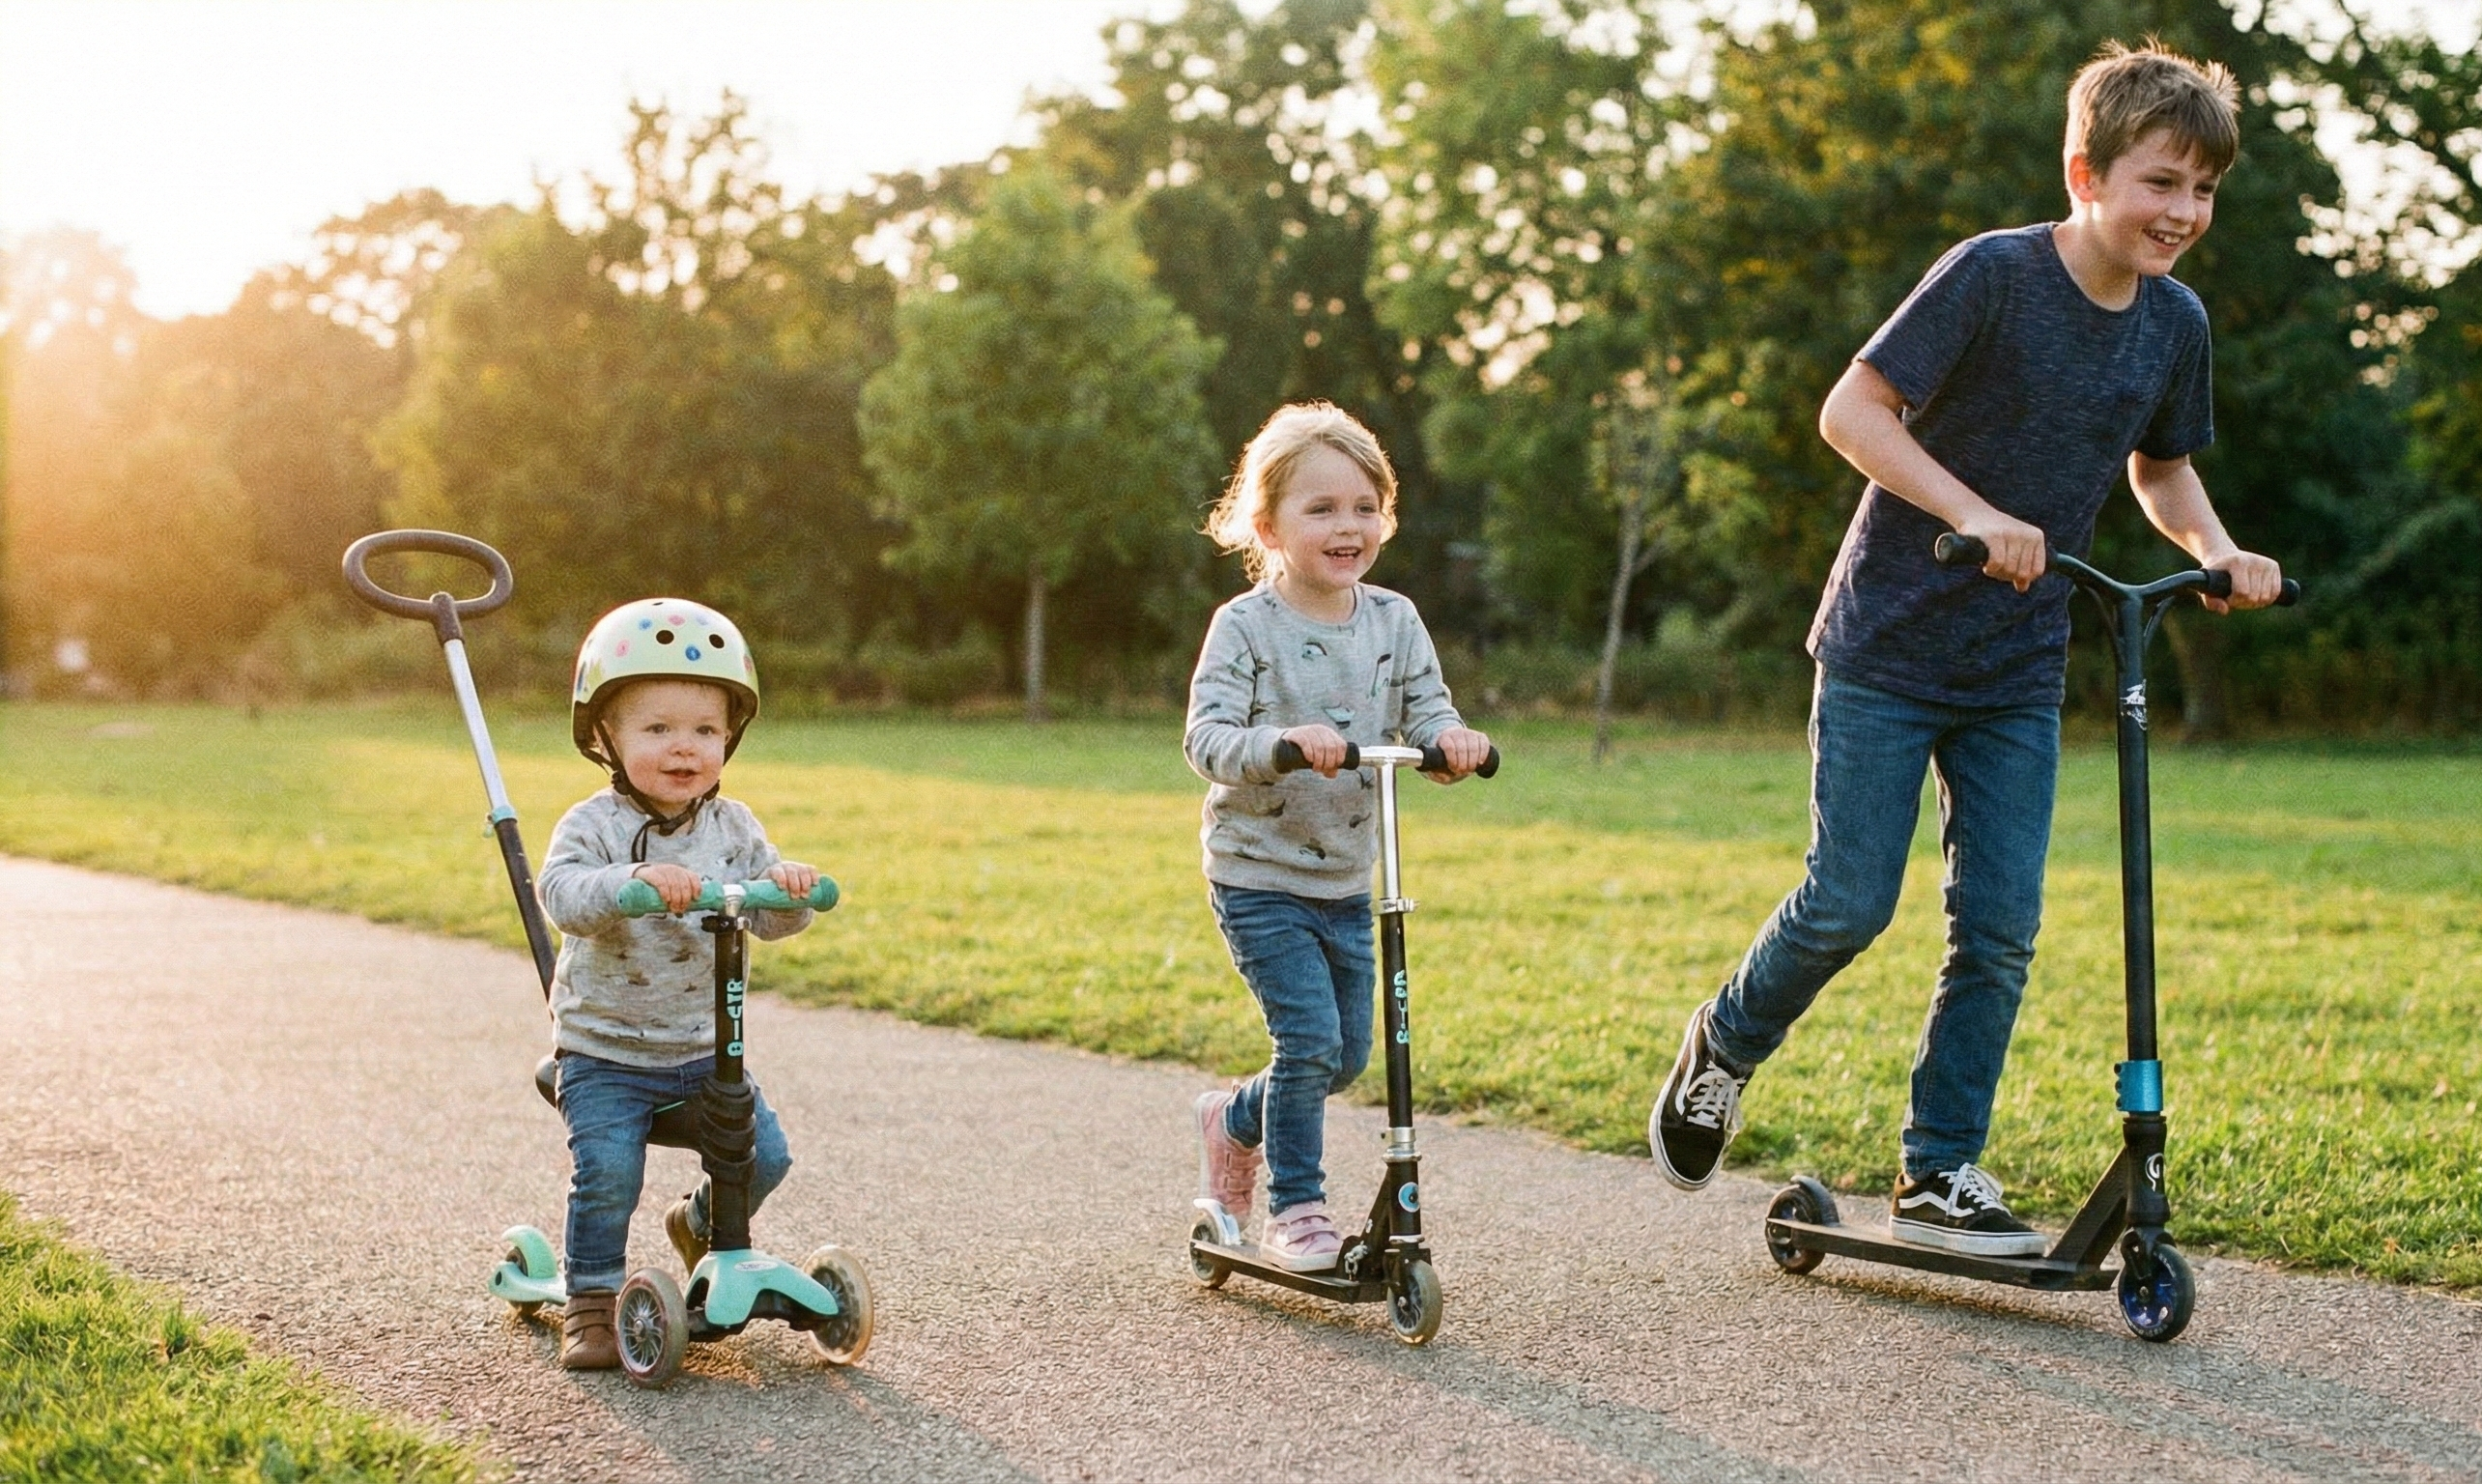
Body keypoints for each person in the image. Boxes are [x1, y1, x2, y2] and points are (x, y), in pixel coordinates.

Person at [1648, 41, 2285, 1254]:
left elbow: (2162, 468)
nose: (2183, 213)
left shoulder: (2173, 322)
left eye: (2203, 190)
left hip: (2015, 662)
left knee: (1997, 925)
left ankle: (1940, 1168)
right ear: (2083, 172)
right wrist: (1973, 512)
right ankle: (1724, 1043)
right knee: (1847, 904)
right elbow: (1853, 411)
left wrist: (2215, 548)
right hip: (1889, 641)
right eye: (2160, 183)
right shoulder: (1992, 276)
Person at [1183, 402, 1493, 1271]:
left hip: (1350, 880)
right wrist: (1281, 746)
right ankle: (1298, 1207)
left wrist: (1451, 743)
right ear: (1268, 525)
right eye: (1320, 509)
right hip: (1259, 876)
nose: (1346, 525)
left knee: (1348, 1056)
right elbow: (1205, 740)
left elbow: (1427, 711)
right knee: (1309, 1042)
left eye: (1364, 506)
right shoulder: (1245, 627)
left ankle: (1231, 1118)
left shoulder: (1394, 620)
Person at [536, 598, 821, 1369]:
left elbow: (766, 916)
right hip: (605, 1055)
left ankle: (699, 1224)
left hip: (703, 1052)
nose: (683, 749)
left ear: (730, 737)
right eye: (656, 730)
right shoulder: (590, 825)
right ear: (605, 737)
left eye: (704, 731)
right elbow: (561, 893)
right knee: (609, 1175)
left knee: (764, 1158)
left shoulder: (733, 829)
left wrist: (787, 892)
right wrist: (629, 881)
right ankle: (590, 1301)